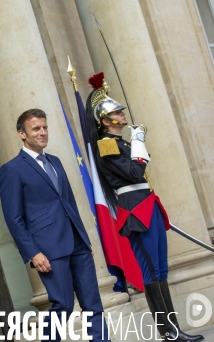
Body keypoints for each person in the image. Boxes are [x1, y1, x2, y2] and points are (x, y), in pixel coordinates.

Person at [85, 72, 203, 342]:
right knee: (150, 270)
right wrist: (139, 141)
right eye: (117, 113)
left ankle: (174, 331)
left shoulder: (122, 143)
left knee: (161, 269)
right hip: (135, 211)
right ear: (105, 121)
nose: (122, 115)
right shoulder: (107, 146)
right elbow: (135, 173)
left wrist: (134, 142)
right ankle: (168, 332)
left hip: (146, 205)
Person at [0, 109, 108, 342]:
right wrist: (33, 253)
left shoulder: (55, 161)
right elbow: (13, 218)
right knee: (64, 305)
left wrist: (85, 239)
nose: (42, 132)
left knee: (93, 304)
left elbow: (68, 202)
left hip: (77, 242)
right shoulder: (12, 169)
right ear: (22, 134)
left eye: (45, 127)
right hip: (48, 248)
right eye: (36, 129)